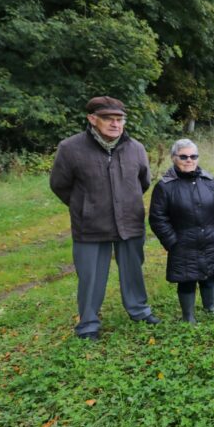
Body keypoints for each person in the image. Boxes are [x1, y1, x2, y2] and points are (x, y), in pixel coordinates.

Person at [49, 96, 160, 340]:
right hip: (90, 225)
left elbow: (143, 182)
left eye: (119, 119)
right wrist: (85, 206)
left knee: (133, 271)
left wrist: (124, 202)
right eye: (108, 118)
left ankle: (139, 310)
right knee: (90, 277)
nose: (115, 124)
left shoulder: (136, 148)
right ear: (92, 119)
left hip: (130, 221)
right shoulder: (70, 148)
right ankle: (88, 323)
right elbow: (59, 185)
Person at [149, 139, 214, 323]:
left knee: (210, 275)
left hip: (211, 239)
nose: (189, 160)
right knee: (187, 280)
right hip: (183, 243)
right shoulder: (164, 186)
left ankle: (210, 307)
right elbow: (157, 218)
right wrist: (172, 242)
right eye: (183, 156)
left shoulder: (208, 180)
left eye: (193, 156)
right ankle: (188, 317)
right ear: (173, 158)